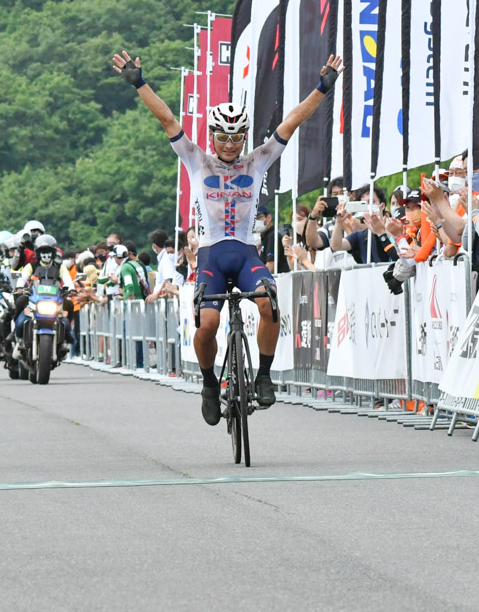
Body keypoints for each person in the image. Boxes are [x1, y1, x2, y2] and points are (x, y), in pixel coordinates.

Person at [113, 46, 342, 424]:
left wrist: (322, 88)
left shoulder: (258, 159)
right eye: (224, 138)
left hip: (247, 253)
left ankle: (264, 375)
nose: (232, 145)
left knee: (269, 303)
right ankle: (207, 384)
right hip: (211, 257)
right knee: (209, 325)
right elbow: (168, 119)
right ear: (213, 135)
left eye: (238, 138)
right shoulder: (196, 159)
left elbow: (290, 123)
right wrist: (140, 83)